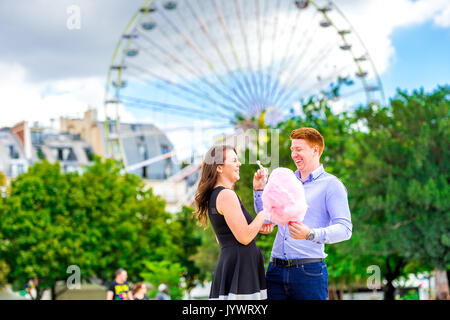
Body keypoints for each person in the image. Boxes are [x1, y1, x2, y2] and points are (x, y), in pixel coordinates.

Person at [253, 127, 352, 300]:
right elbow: (268, 217)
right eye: (292, 150)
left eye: (299, 149)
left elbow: (345, 229)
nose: (294, 155)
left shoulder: (331, 185)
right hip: (275, 270)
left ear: (315, 150)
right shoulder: (286, 180)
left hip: (309, 272)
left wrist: (310, 234)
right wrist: (259, 189)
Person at [194, 145, 273, 300]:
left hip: (234, 265)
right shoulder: (226, 195)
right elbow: (244, 237)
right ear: (219, 168)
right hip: (241, 269)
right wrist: (265, 212)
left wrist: (256, 226)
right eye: (234, 160)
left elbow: (223, 237)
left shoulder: (216, 195)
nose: (239, 164)